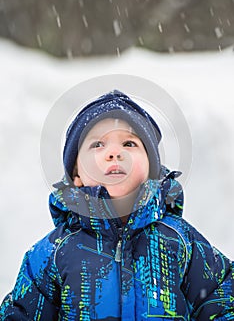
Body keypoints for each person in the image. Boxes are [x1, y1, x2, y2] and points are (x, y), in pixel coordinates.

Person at [0, 90, 233, 320]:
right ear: (76, 176)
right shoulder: (53, 252)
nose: (114, 153)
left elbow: (223, 300)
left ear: (151, 170)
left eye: (129, 143)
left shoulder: (181, 241)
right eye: (97, 144)